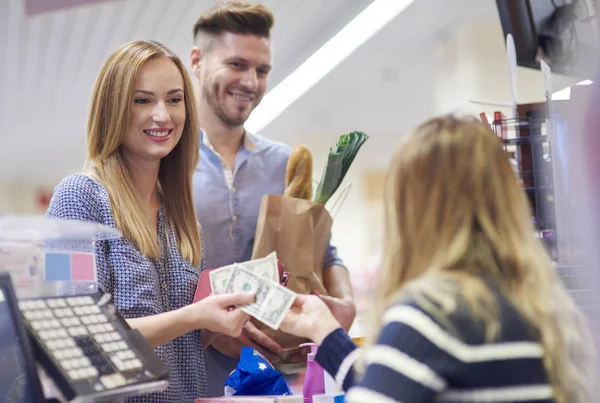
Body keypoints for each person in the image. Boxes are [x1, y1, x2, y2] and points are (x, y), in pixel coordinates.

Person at [279, 116, 593, 402]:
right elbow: (395, 384)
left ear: (412, 211)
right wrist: (326, 332)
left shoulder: (432, 316)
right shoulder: (544, 310)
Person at [46, 40, 256, 402]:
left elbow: (181, 343)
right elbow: (79, 336)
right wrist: (194, 316)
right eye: (143, 100)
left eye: (174, 100)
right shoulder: (75, 198)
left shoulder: (181, 217)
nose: (163, 115)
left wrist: (221, 318)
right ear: (113, 109)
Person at [189, 0, 356, 395]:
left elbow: (324, 252)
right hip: (194, 378)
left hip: (276, 378)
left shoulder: (283, 162)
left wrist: (346, 301)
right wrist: (208, 326)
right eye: (237, 64)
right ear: (196, 60)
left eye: (261, 70)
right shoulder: (163, 164)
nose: (251, 82)